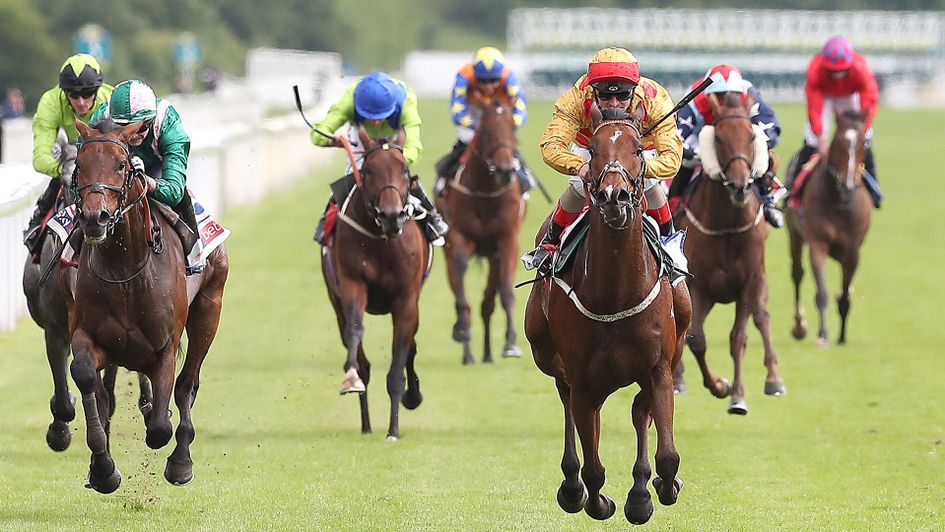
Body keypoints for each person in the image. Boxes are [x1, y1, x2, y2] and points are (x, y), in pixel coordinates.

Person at [522, 47, 682, 273]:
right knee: (579, 183)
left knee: (649, 182)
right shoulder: (576, 98)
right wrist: (580, 166)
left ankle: (671, 244)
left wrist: (639, 167)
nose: (614, 103)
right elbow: (551, 145)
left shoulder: (655, 99)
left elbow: (672, 159)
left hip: (635, 149)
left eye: (623, 95)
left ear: (634, 90)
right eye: (605, 96)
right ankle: (550, 243)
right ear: (593, 90)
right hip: (593, 148)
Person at [311, 70, 448, 245]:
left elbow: (414, 147)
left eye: (380, 116)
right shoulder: (349, 100)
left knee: (398, 177)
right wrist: (332, 140)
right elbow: (317, 135)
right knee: (352, 179)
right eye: (369, 116)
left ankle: (431, 216)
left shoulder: (405, 101)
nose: (375, 121)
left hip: (394, 139)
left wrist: (393, 163)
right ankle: (327, 220)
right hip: (361, 137)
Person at [84, 79, 204, 275]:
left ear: (150, 121)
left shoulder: (167, 122)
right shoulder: (102, 118)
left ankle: (195, 252)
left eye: (139, 128)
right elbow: (83, 172)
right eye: (122, 127)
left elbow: (174, 190)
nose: (131, 136)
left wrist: (147, 182)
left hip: (155, 169)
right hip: (112, 171)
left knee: (182, 198)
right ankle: (68, 254)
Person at [670, 64, 784, 227]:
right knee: (685, 161)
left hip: (738, 135)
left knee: (763, 153)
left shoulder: (751, 96)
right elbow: (676, 140)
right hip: (702, 135)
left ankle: (767, 201)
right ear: (709, 94)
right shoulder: (694, 100)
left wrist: (751, 146)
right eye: (720, 96)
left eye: (732, 94)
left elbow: (771, 126)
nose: (727, 100)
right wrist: (698, 154)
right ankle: (674, 206)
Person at [23, 54, 114, 258]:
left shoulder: (111, 99)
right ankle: (37, 233)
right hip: (72, 160)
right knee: (63, 179)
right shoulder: (50, 102)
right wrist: (64, 168)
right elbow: (40, 158)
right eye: (73, 95)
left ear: (98, 90)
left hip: (107, 163)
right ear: (64, 93)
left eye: (88, 94)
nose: (81, 103)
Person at [790, 35, 882, 208]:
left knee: (864, 140)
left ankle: (874, 189)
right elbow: (814, 108)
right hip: (825, 97)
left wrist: (862, 129)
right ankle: (794, 190)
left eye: (842, 70)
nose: (837, 74)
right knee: (811, 140)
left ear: (850, 65)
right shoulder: (815, 69)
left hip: (851, 95)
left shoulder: (861, 69)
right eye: (832, 71)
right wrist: (821, 138)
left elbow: (868, 104)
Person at [434, 46, 534, 196]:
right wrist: (478, 128)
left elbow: (520, 111)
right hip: (473, 111)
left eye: (493, 81)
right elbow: (457, 112)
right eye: (482, 81)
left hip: (499, 113)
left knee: (502, 141)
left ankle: (521, 171)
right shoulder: (464, 76)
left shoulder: (510, 78)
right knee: (466, 138)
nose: (488, 86)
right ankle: (446, 175)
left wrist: (506, 127)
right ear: (475, 75)